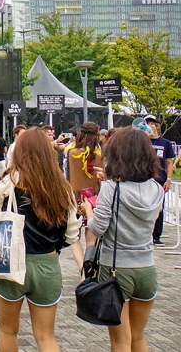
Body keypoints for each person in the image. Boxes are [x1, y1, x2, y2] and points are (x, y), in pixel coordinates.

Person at [0, 128, 81, 352]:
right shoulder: (62, 186)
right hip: (47, 264)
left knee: (8, 331)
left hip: (11, 263)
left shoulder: (11, 180)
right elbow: (72, 234)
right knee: (46, 337)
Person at [78, 127, 164, 352]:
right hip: (147, 268)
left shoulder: (111, 189)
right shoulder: (156, 189)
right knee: (138, 337)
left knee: (120, 341)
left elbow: (97, 227)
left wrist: (89, 210)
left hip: (116, 269)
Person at [66, 122, 104, 270]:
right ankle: (90, 265)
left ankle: (81, 266)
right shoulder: (100, 156)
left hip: (74, 198)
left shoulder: (72, 153)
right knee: (91, 236)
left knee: (74, 235)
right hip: (93, 199)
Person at [144, 115, 176, 247]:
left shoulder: (165, 143)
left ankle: (157, 236)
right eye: (147, 123)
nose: (150, 126)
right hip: (145, 179)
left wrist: (168, 179)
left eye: (152, 123)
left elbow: (169, 162)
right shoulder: (142, 142)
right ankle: (145, 235)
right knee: (145, 207)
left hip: (160, 179)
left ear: (156, 126)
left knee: (159, 208)